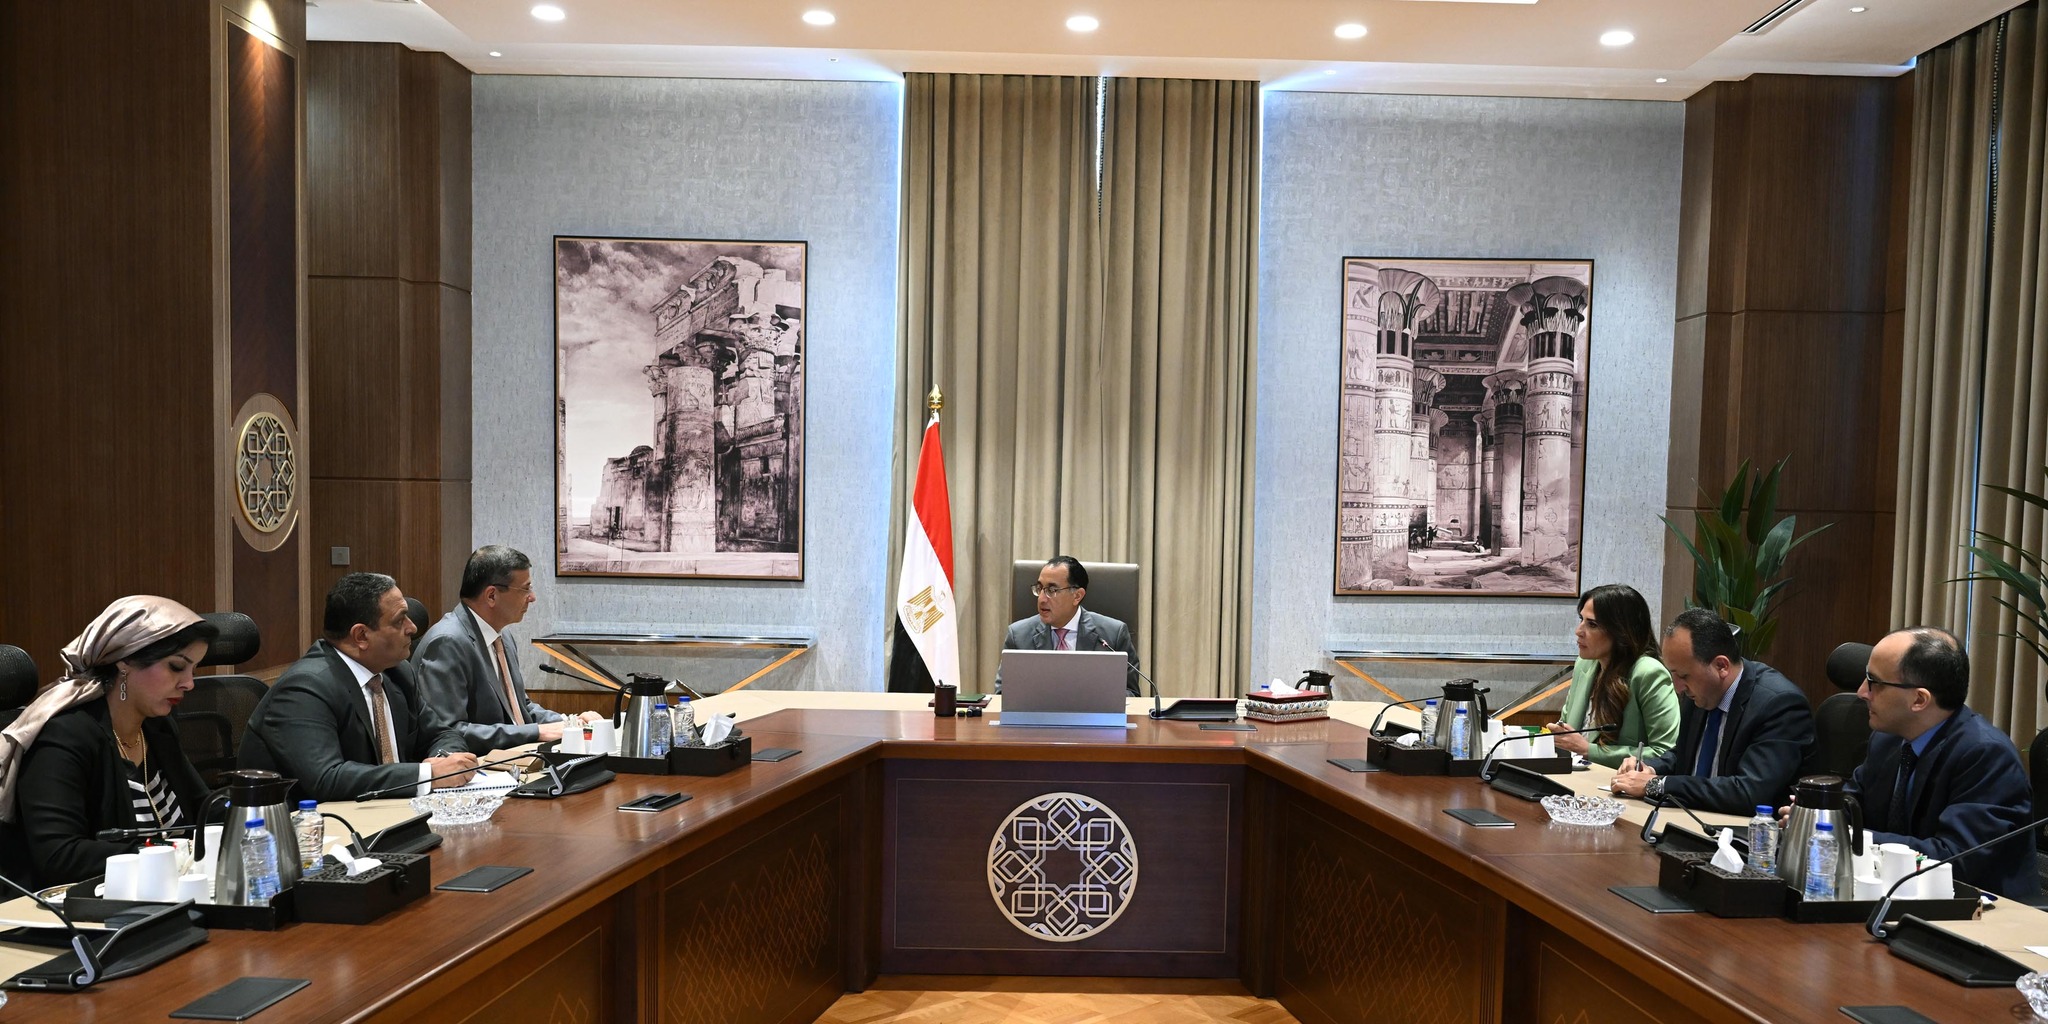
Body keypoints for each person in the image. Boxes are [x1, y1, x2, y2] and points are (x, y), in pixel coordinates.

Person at [0, 596, 218, 887]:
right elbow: (60, 857)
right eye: (177, 667)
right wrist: (167, 853)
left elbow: (205, 808)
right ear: (125, 661)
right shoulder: (62, 736)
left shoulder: (156, 726)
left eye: (194, 670)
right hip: (86, 906)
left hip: (164, 891)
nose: (189, 683)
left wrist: (251, 811)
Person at [240, 573, 477, 802]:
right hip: (315, 824)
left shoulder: (397, 673)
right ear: (361, 635)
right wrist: (428, 775)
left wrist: (443, 761)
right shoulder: (305, 688)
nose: (413, 628)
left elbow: (442, 734)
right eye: (399, 620)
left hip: (395, 812)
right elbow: (327, 778)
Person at [1842, 627, 2036, 898]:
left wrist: (1849, 836)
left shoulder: (1986, 755)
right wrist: (1817, 815)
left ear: (1919, 699)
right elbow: (1852, 805)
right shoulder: (1887, 740)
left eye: (1875, 682)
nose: (1862, 692)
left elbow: (1953, 857)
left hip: (1981, 910)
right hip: (1901, 897)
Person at [1609, 607, 1814, 814]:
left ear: (1721, 666)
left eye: (1684, 676)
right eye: (1673, 674)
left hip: (1743, 829)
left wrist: (1657, 784)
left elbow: (1749, 792)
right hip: (1690, 817)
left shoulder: (1779, 705)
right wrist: (1650, 768)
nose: (1678, 687)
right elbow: (1683, 756)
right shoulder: (1700, 691)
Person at [413, 546, 599, 753]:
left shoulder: (503, 637)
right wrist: (536, 732)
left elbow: (520, 708)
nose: (532, 597)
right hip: (476, 765)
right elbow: (448, 732)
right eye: (526, 589)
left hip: (514, 758)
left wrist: (571, 723)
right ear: (492, 595)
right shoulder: (447, 642)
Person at [1545, 584, 1680, 768]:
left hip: (1620, 781)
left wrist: (1589, 750)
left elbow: (1664, 752)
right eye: (1581, 620)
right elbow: (1568, 728)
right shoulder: (1584, 664)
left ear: (1620, 631)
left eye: (1592, 624)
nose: (1578, 631)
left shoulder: (1649, 673)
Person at [998, 556, 1141, 696]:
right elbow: (1001, 694)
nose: (1041, 599)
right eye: (1040, 588)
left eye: (1051, 590)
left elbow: (1132, 693)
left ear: (1077, 596)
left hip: (1093, 712)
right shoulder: (1018, 636)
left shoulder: (1113, 635)